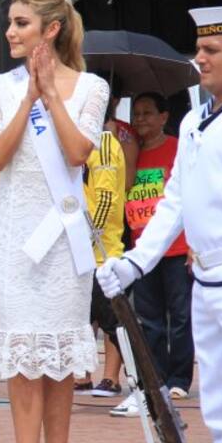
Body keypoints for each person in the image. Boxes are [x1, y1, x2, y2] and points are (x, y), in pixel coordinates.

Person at [98, 2, 222, 443]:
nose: (200, 58)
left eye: (212, 49)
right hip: (206, 279)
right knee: (221, 411)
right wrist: (137, 261)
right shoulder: (195, 120)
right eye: (199, 48)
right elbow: (174, 201)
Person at [0, 0, 109, 443]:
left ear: (51, 29)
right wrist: (28, 98)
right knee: (24, 362)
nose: (11, 32)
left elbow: (79, 153)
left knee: (57, 365)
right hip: (14, 237)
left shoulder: (92, 86)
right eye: (11, 22)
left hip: (63, 241)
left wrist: (52, 95)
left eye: (22, 23)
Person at [115, 91, 193, 412]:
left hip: (176, 247)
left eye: (148, 113)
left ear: (164, 117)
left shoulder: (177, 148)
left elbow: (189, 195)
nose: (140, 119)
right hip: (142, 250)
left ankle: (179, 379)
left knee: (181, 316)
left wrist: (193, 243)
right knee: (150, 319)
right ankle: (156, 378)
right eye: (136, 113)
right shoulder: (129, 151)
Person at [80, 126, 127, 401]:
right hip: (83, 253)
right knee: (84, 316)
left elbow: (107, 199)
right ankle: (83, 374)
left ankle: (113, 377)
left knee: (113, 321)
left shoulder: (104, 142)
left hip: (102, 251)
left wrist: (88, 239)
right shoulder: (79, 142)